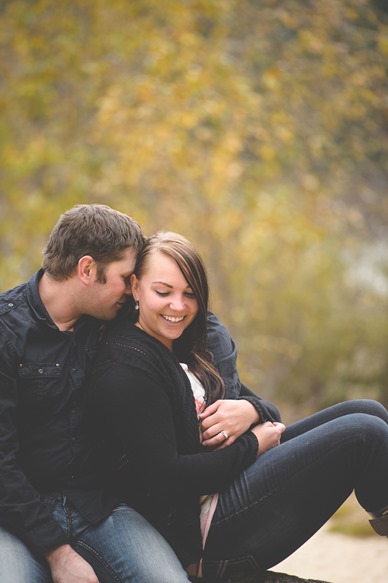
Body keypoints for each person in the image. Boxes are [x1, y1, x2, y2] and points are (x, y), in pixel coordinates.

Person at [89, 230, 388, 582]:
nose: (179, 306)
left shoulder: (184, 344)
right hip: (203, 527)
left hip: (228, 480)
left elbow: (262, 407)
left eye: (190, 294)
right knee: (366, 433)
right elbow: (168, 478)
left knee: (371, 411)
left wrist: (251, 411)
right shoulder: (128, 364)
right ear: (136, 287)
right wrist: (252, 444)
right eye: (163, 292)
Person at [0, 205, 196, 583]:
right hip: (14, 516)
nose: (131, 289)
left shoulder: (114, 318)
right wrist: (58, 555)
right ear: (87, 270)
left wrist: (249, 407)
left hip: (98, 508)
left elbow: (198, 322)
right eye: (126, 277)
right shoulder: (6, 333)